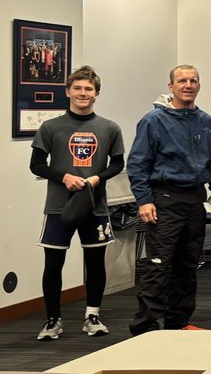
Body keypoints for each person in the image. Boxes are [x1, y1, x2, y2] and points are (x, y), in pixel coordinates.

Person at [127, 65, 211, 335]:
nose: (188, 85)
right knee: (159, 266)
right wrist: (144, 200)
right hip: (164, 200)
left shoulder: (205, 121)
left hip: (195, 199)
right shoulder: (153, 121)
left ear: (199, 86)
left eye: (193, 80)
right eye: (182, 80)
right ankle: (145, 327)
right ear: (171, 87)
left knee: (188, 265)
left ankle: (178, 323)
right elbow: (137, 164)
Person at [31, 66, 124, 340]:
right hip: (59, 206)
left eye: (89, 89)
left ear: (96, 94)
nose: (83, 93)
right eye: (78, 88)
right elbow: (36, 165)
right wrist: (64, 177)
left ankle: (92, 316)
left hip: (95, 206)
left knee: (95, 262)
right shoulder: (51, 127)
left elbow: (117, 164)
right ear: (68, 91)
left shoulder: (109, 128)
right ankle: (52, 321)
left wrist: (97, 177)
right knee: (53, 263)